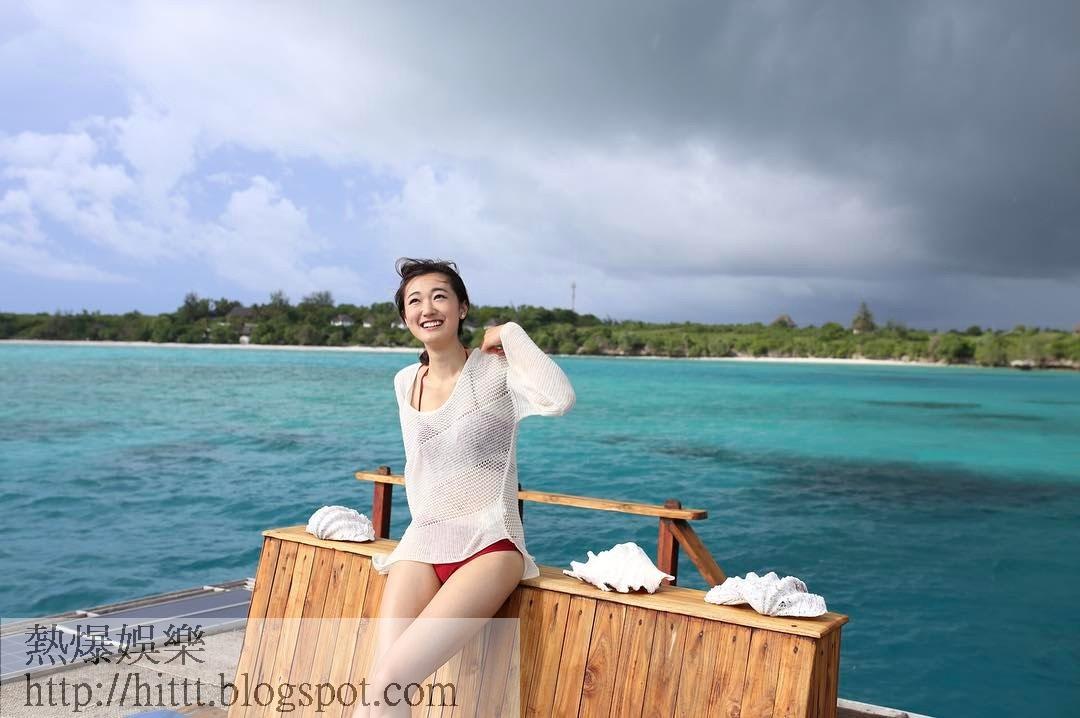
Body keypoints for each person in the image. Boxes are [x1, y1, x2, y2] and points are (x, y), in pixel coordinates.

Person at [353, 257, 575, 717]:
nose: (427, 308)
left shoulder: (495, 372)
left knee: (390, 682)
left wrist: (510, 332)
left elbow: (560, 399)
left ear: (462, 307)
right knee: (381, 688)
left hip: (489, 546)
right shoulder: (405, 381)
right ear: (404, 316)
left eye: (439, 296)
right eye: (415, 301)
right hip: (422, 544)